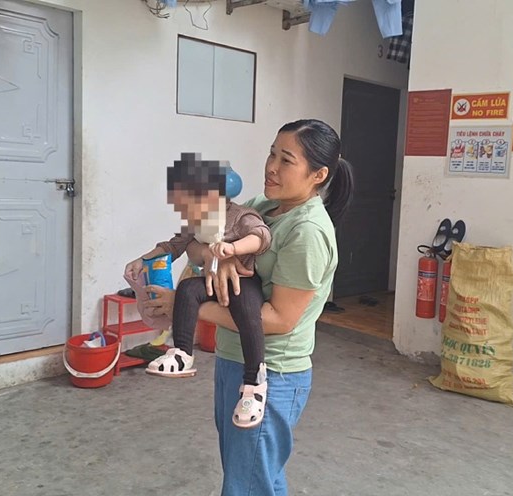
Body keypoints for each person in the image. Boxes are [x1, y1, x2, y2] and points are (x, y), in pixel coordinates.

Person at [140, 119, 354, 495]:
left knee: (247, 483)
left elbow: (279, 319)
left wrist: (182, 306)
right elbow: (200, 241)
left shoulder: (307, 233)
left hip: (272, 373)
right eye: (272, 153)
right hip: (232, 358)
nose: (271, 166)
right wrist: (216, 254)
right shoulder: (261, 206)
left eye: (286, 160)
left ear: (318, 174)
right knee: (255, 475)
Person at [124, 153, 272, 428]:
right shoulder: (197, 221)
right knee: (187, 290)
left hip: (243, 279)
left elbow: (261, 237)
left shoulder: (241, 216)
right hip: (211, 280)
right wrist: (142, 259)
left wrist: (233, 249)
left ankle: (254, 382)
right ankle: (182, 353)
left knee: (248, 314)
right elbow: (174, 246)